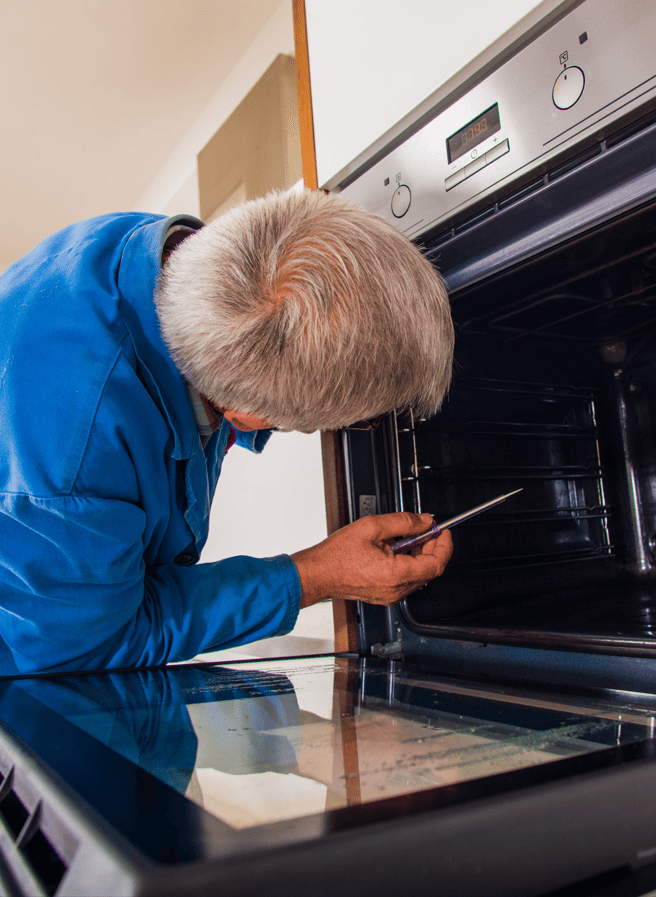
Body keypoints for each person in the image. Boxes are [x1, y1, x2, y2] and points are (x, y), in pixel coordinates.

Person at [0, 187, 455, 675]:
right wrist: (313, 576)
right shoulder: (72, 468)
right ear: (244, 413)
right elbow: (95, 642)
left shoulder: (177, 261)